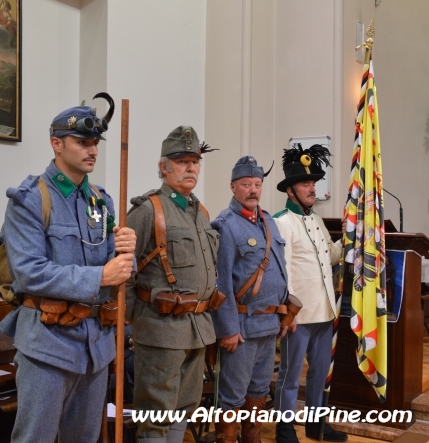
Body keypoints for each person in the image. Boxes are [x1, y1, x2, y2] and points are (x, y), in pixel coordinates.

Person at [0, 96, 137, 443]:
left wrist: (126, 254)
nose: (92, 150)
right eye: (82, 142)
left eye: (94, 143)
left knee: (84, 439)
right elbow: (29, 273)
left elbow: (114, 267)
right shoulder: (29, 199)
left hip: (95, 347)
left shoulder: (100, 201)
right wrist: (101, 276)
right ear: (56, 144)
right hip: (48, 344)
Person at [126, 125, 221, 443]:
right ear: (163, 167)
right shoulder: (148, 210)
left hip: (198, 328)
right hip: (161, 329)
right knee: (156, 413)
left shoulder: (201, 212)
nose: (191, 167)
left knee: (184, 407)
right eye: (181, 161)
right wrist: (130, 320)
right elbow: (121, 271)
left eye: (195, 161)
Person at [211, 156, 290, 443]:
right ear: (233, 187)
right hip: (241, 328)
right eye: (246, 184)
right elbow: (221, 285)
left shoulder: (268, 222)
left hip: (269, 325)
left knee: (258, 391)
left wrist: (284, 313)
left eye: (257, 184)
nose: (253, 190)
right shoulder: (225, 225)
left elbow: (280, 270)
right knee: (232, 396)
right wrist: (228, 328)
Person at [273, 144, 348, 443]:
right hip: (299, 315)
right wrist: (287, 312)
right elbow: (283, 271)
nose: (311, 188)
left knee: (319, 374)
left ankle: (317, 425)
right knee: (290, 377)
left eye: (313, 183)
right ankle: (284, 428)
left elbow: (330, 257)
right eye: (305, 184)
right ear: (290, 190)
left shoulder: (316, 220)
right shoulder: (282, 221)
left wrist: (349, 237)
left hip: (325, 310)